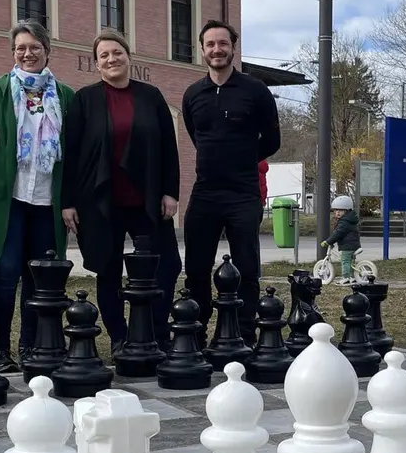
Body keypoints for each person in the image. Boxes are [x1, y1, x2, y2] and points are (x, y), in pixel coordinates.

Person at [60, 29, 182, 350]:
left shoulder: (151, 96)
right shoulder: (84, 100)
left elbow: (169, 147)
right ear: (97, 64)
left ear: (129, 57)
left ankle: (155, 332)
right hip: (101, 203)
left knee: (166, 265)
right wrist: (67, 202)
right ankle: (120, 336)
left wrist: (171, 192)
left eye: (117, 52)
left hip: (148, 202)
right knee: (108, 269)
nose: (111, 59)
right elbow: (70, 154)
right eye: (104, 56)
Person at [0, 20, 75, 373]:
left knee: (39, 276)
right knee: (6, 271)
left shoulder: (66, 96)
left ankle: (32, 345)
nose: (27, 54)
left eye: (34, 48)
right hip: (7, 200)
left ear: (48, 50)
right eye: (20, 48)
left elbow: (76, 153)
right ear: (13, 53)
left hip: (48, 201)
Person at [180, 20, 280, 327]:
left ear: (233, 48)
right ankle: (196, 331)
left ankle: (243, 330)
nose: (217, 50)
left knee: (247, 267)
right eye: (210, 44)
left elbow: (273, 141)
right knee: (196, 266)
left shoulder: (256, 90)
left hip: (243, 192)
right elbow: (197, 136)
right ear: (202, 50)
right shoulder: (193, 94)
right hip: (206, 191)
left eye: (223, 44)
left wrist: (241, 159)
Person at [322, 195, 361, 283]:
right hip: (353, 244)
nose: (337, 213)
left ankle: (346, 277)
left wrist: (328, 241)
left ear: (347, 211)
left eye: (341, 210)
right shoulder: (349, 220)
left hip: (348, 246)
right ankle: (352, 277)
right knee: (350, 262)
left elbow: (337, 234)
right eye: (336, 210)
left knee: (345, 261)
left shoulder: (344, 223)